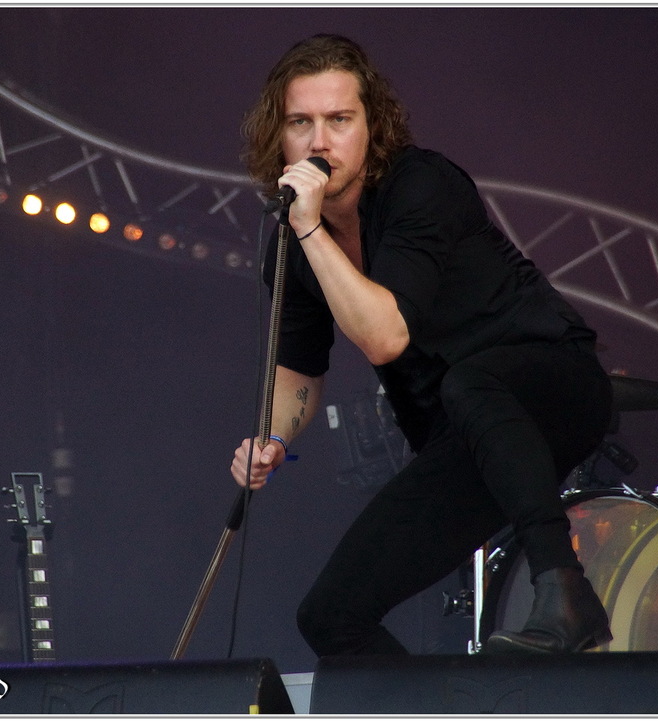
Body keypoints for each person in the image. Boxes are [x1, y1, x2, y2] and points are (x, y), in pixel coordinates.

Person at [229, 34, 614, 656]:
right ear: (278, 136)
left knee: (472, 381)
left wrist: (307, 226)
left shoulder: (420, 184)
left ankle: (566, 590)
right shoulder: (290, 245)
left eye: (339, 120)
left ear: (372, 127)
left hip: (554, 385)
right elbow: (298, 373)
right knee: (330, 617)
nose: (319, 141)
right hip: (461, 435)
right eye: (300, 122)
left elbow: (384, 337)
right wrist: (271, 438)